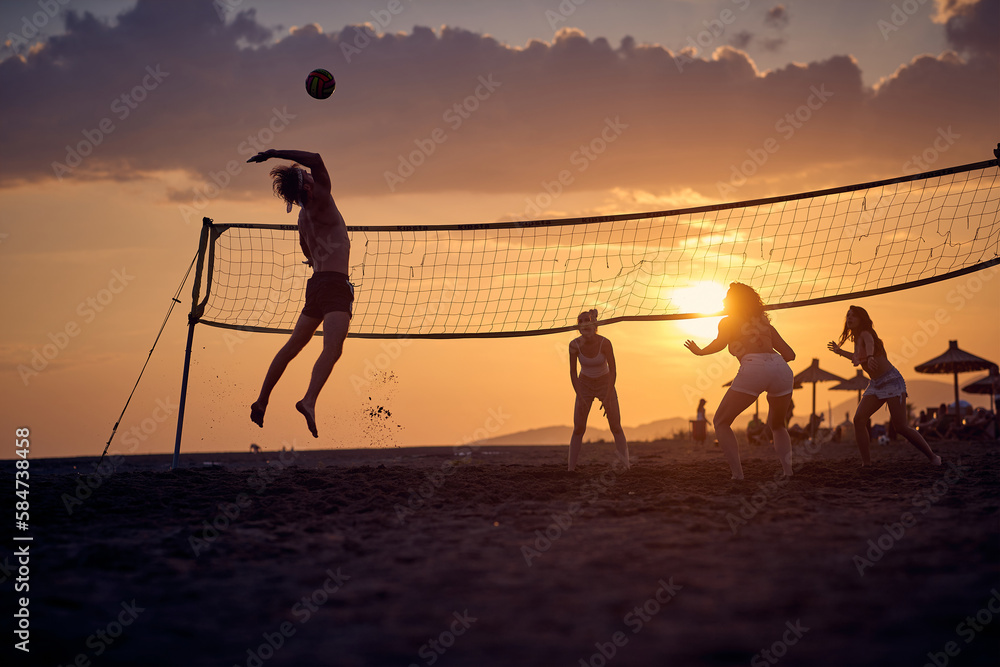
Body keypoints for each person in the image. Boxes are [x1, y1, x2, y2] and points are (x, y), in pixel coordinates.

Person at [247, 149, 352, 438]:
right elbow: (318, 157)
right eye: (305, 174)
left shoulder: (303, 219)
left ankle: (262, 400)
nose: (310, 173)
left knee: (292, 346)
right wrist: (272, 154)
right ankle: (308, 400)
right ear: (306, 185)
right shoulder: (322, 199)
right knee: (332, 348)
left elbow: (307, 252)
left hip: (316, 285)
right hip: (333, 285)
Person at [684, 282, 796, 480]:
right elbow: (790, 354)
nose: (723, 300)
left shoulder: (728, 321)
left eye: (727, 297)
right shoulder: (763, 322)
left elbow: (719, 344)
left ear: (736, 302)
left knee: (721, 421)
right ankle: (788, 473)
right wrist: (771, 366)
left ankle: (737, 475)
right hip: (781, 368)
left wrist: (699, 351)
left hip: (754, 367)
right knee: (778, 425)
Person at [827, 305, 941, 466]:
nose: (849, 318)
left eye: (853, 315)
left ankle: (933, 457)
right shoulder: (857, 338)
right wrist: (839, 351)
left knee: (901, 427)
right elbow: (856, 357)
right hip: (875, 384)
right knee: (859, 420)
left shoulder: (866, 334)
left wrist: (871, 356)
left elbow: (870, 345)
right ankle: (866, 464)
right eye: (848, 316)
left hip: (891, 381)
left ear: (861, 319)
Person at [568, 309, 630, 471]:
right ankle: (571, 470)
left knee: (616, 426)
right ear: (578, 326)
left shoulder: (605, 343)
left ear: (594, 324)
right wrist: (580, 396)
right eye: (580, 321)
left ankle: (626, 467)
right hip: (584, 383)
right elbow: (573, 373)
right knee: (579, 428)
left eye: (587, 320)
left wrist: (608, 396)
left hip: (605, 382)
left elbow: (614, 370)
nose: (583, 323)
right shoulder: (574, 345)